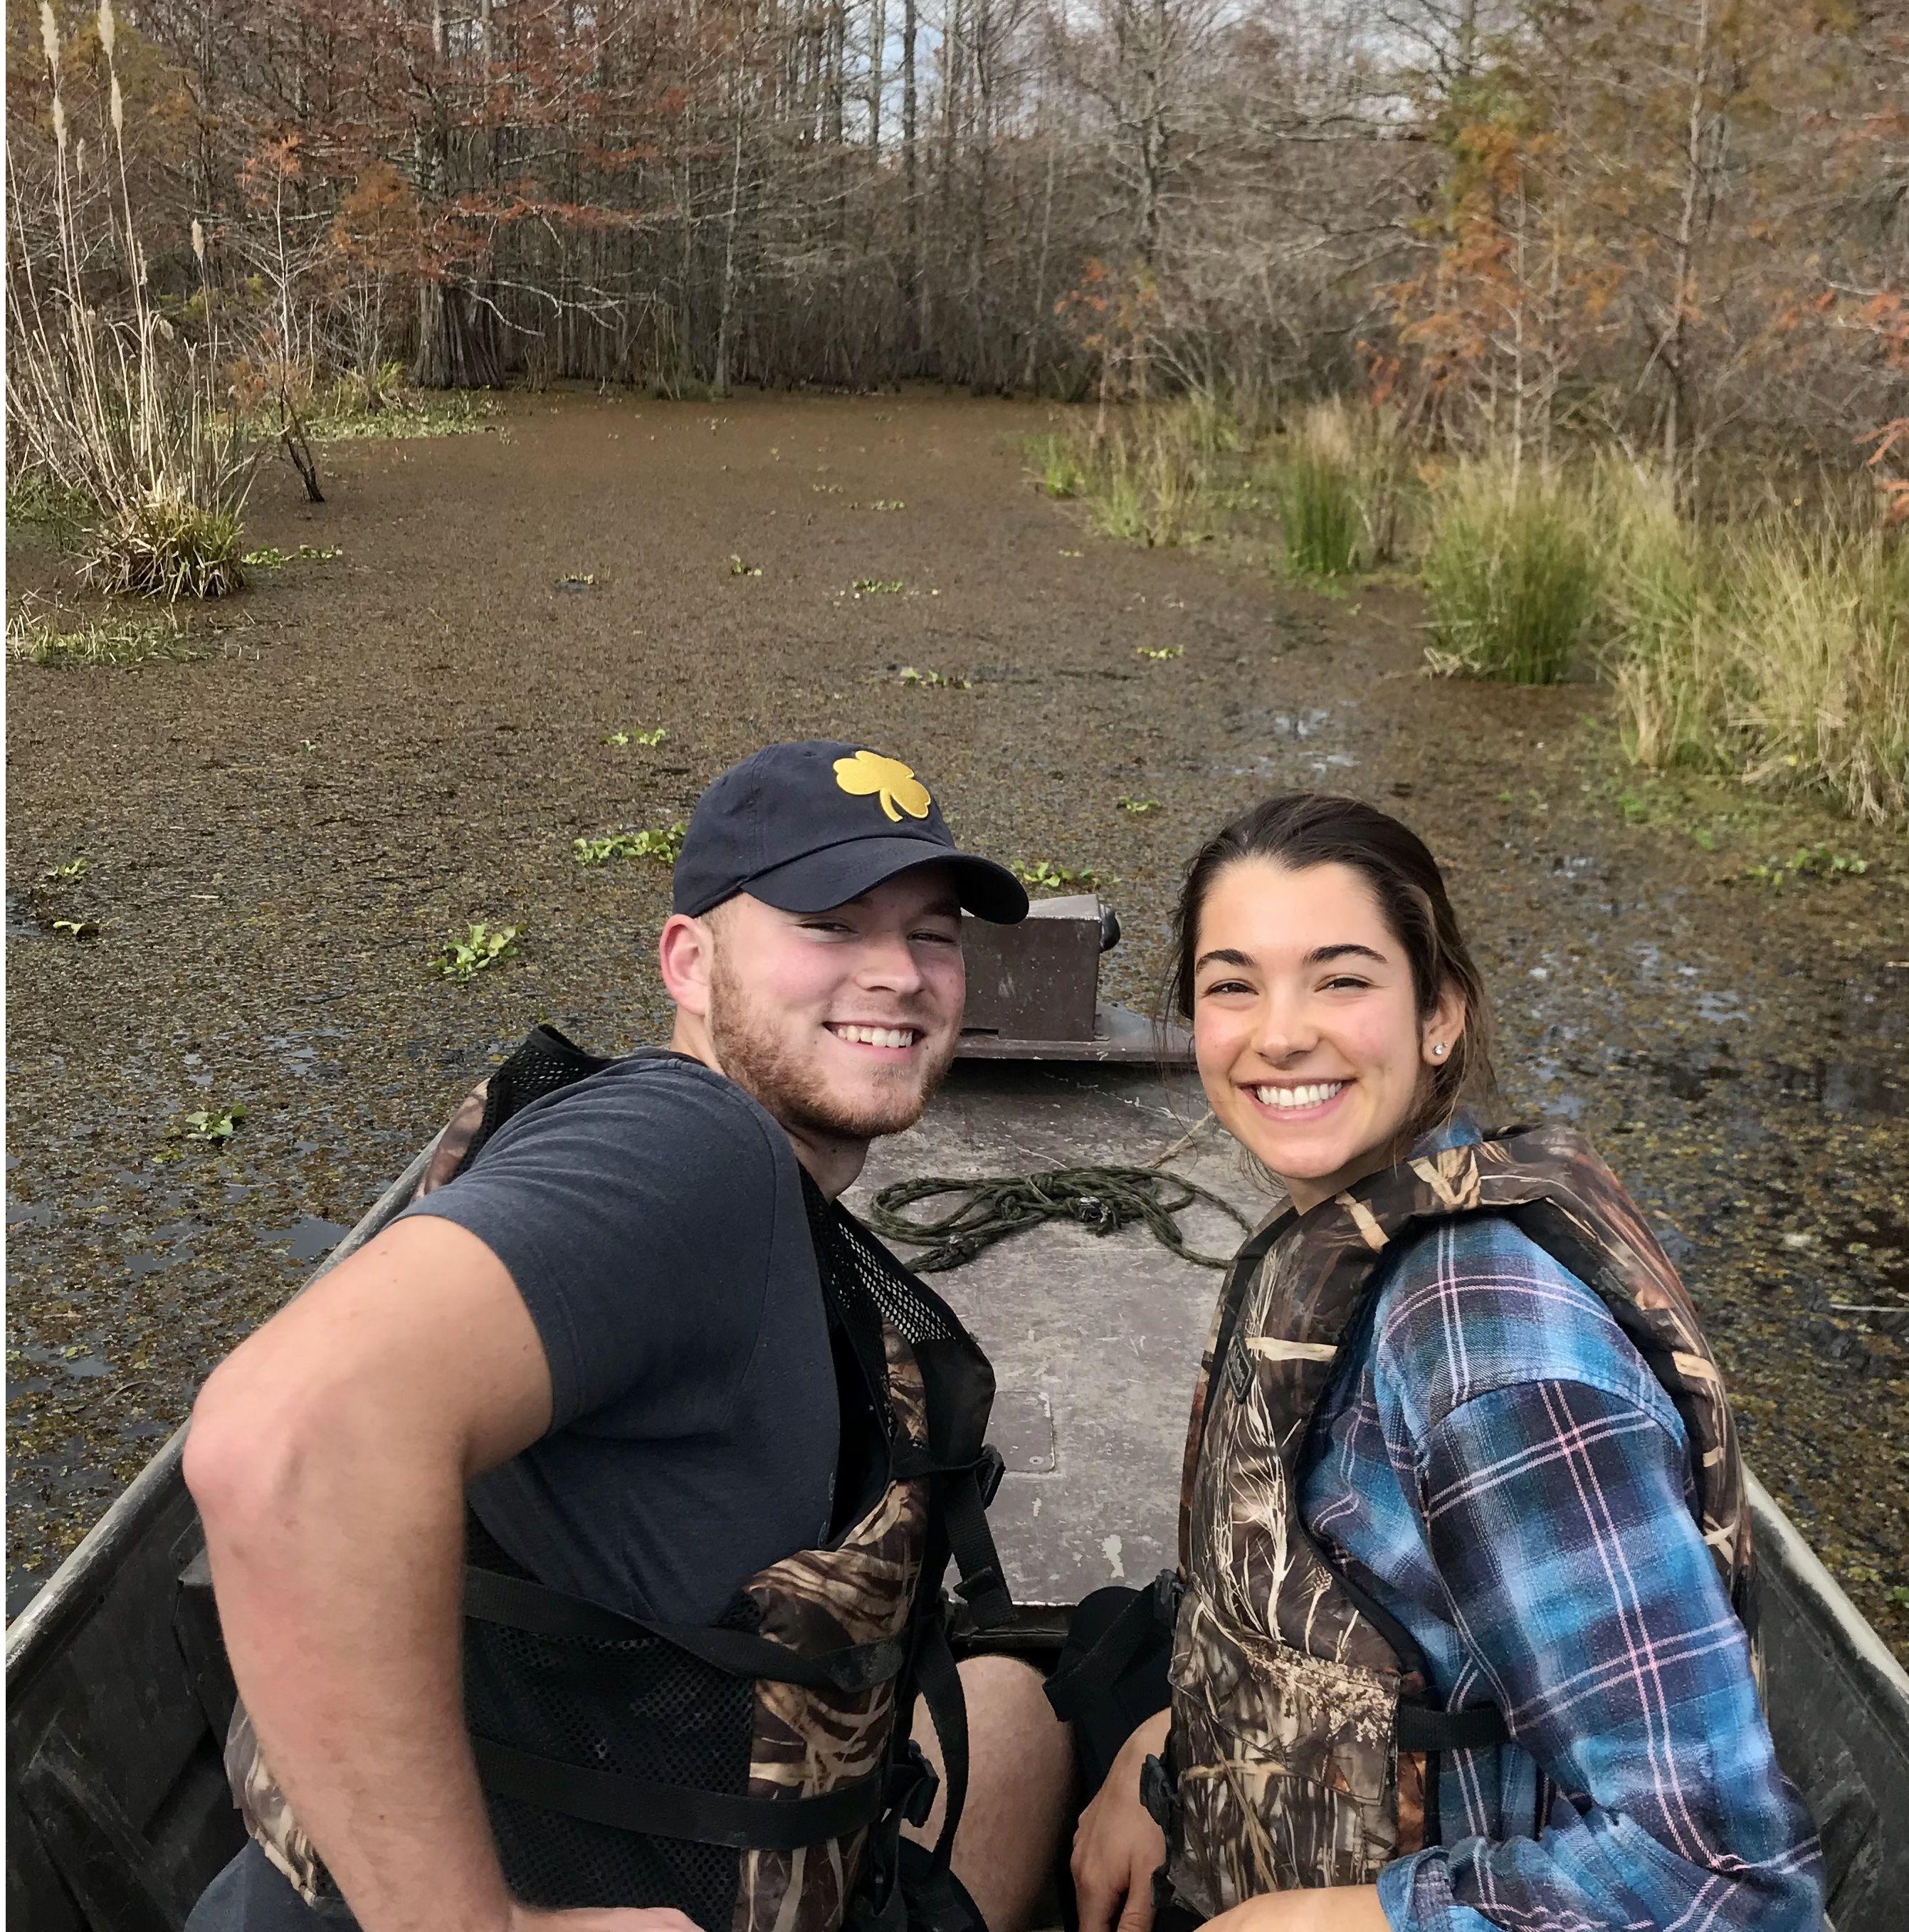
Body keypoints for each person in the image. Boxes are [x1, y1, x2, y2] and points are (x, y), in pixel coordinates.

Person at [182, 740, 1074, 1932]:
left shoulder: (707, 1165)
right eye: (831, 922)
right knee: (1040, 1714)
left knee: (1009, 1705)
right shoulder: (689, 1154)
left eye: (930, 934)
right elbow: (281, 1441)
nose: (899, 974)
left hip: (380, 1868)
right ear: (689, 962)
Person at [1061, 792, 1824, 1932]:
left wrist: (1337, 1922)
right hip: (1260, 1828)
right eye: (1233, 984)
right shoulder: (1348, 1226)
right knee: (1066, 1685)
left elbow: (1723, 1878)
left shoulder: (1490, 1359)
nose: (1279, 1033)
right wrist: (1159, 1756)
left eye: (1342, 978)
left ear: (1440, 1016)